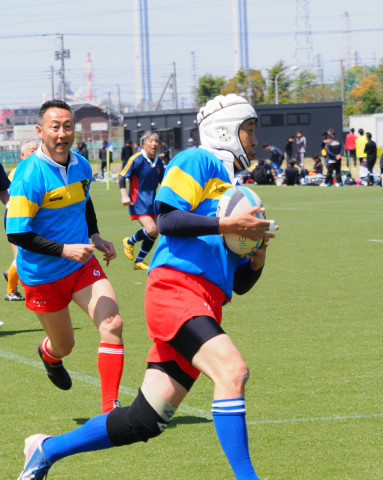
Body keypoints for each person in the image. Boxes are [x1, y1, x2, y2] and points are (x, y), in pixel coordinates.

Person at [17, 93, 277, 480]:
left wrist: (256, 258)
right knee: (232, 370)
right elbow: (167, 219)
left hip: (206, 303)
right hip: (175, 291)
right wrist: (228, 225)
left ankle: (46, 449)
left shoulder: (234, 191)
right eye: (249, 130)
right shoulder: (197, 160)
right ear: (225, 130)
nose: (255, 141)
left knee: (145, 420)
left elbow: (239, 285)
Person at [6, 100, 124, 414]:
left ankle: (110, 411)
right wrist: (64, 249)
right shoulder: (29, 176)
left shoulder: (82, 165)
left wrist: (95, 236)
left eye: (67, 126)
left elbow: (84, 201)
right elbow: (16, 234)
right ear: (40, 131)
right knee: (64, 346)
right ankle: (50, 354)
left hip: (82, 265)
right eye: (54, 127)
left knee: (112, 323)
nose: (62, 133)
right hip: (43, 275)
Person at [120, 131, 165, 270]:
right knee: (151, 229)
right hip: (137, 202)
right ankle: (129, 241)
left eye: (156, 141)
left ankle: (139, 261)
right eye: (150, 141)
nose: (154, 144)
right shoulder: (136, 159)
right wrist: (124, 195)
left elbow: (163, 182)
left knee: (156, 232)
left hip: (152, 203)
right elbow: (122, 176)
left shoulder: (158, 163)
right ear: (143, 144)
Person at [4, 140, 39, 302]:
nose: (36, 152)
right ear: (23, 155)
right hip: (16, 217)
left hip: (32, 217)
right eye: (32, 150)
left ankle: (12, 275)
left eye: (38, 149)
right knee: (20, 256)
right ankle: (10, 291)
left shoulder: (38, 169)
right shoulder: (18, 171)